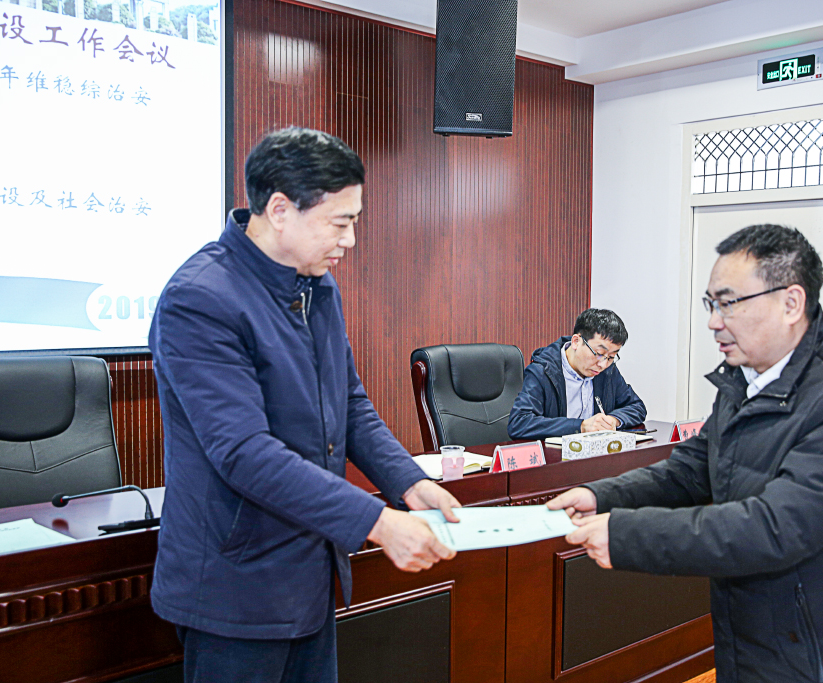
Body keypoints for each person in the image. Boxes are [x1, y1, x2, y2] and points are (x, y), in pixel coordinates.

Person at [148, 127, 460, 683]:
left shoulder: (314, 284)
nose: (350, 240)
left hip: (309, 573)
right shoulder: (200, 298)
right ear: (280, 210)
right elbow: (244, 453)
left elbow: (349, 403)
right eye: (339, 223)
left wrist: (409, 483)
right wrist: (376, 521)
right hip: (236, 585)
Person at [549, 225, 823, 683]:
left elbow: (773, 528)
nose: (713, 322)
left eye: (729, 303)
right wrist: (600, 496)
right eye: (712, 303)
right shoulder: (746, 377)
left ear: (791, 303)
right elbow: (691, 469)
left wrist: (625, 534)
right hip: (755, 641)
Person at [507, 308, 647, 440]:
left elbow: (637, 406)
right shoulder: (542, 370)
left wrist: (612, 420)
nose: (603, 364)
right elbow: (519, 423)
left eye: (611, 357)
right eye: (599, 353)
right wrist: (580, 426)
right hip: (556, 454)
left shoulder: (607, 370)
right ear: (576, 341)